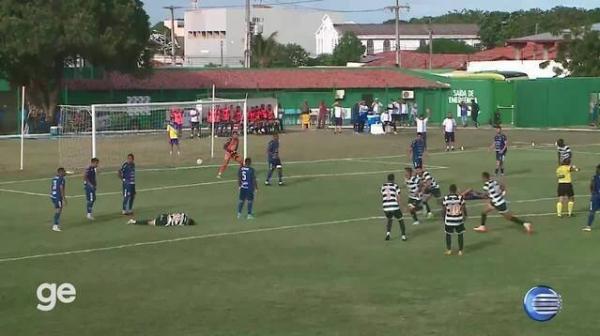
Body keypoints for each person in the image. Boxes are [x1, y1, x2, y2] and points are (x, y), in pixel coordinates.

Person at [381, 173, 407, 241]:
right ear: (393, 179)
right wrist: (402, 207)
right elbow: (398, 198)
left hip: (385, 207)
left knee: (389, 219)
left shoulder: (383, 186)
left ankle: (388, 234)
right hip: (394, 206)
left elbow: (384, 194)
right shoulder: (395, 186)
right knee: (400, 219)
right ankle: (403, 236)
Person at [442, 184, 466, 256]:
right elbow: (463, 207)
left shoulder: (446, 198)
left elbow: (444, 209)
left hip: (449, 220)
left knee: (448, 235)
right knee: (460, 234)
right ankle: (460, 251)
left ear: (449, 190)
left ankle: (449, 250)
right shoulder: (460, 198)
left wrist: (443, 217)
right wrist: (465, 215)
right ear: (456, 190)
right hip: (458, 219)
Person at [583, 164, 600, 231]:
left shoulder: (594, 177)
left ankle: (588, 226)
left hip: (596, 196)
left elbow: (591, 186)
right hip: (596, 195)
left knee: (592, 211)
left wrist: (592, 193)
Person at [50, 167, 67, 232]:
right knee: (58, 210)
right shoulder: (61, 179)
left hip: (53, 195)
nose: (65, 173)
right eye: (64, 172)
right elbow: (61, 188)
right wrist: (64, 198)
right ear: (60, 172)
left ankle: (55, 224)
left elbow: (52, 186)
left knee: (59, 208)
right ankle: (55, 225)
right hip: (57, 196)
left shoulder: (54, 178)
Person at [128, 213, 195, 226]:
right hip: (165, 221)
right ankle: (134, 221)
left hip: (166, 216)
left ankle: (134, 221)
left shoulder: (183, 214)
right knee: (149, 222)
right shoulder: (182, 223)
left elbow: (175, 214)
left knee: (151, 221)